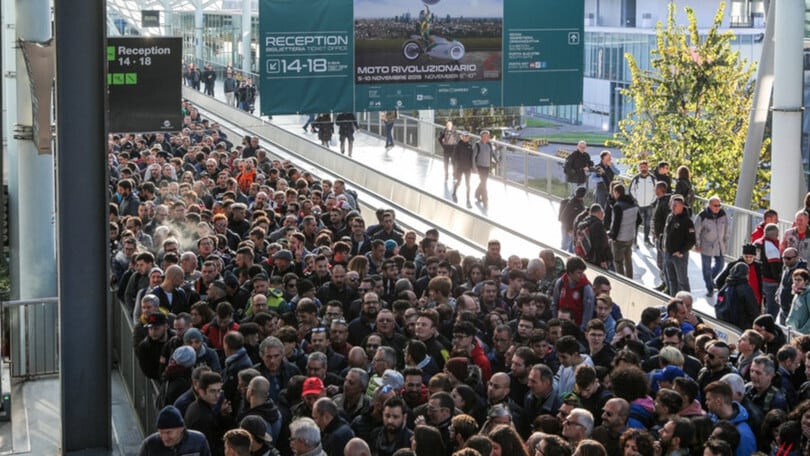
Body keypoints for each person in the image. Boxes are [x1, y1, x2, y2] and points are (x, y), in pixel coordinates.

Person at [138, 405, 211, 455]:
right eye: (161, 432)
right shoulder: (149, 445)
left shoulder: (199, 441)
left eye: (168, 432)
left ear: (181, 429)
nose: (164, 437)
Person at [694, 196, 730, 297]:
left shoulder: (723, 214)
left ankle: (709, 279)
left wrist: (725, 242)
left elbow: (727, 228)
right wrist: (697, 244)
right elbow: (697, 231)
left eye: (719, 205)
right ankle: (709, 288)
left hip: (720, 245)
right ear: (710, 205)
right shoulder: (702, 215)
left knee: (721, 265)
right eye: (715, 205)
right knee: (706, 268)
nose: (717, 207)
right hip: (706, 246)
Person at [663, 195, 695, 295]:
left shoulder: (687, 221)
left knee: (682, 281)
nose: (673, 207)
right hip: (668, 253)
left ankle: (687, 302)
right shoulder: (670, 217)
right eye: (672, 205)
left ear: (681, 206)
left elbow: (691, 240)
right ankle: (673, 300)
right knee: (671, 280)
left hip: (679, 256)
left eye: (675, 205)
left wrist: (681, 251)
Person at [609, 184, 639, 279]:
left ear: (617, 193)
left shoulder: (618, 206)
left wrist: (613, 237)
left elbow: (616, 224)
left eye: (613, 192)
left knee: (618, 262)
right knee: (628, 259)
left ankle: (622, 281)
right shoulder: (633, 203)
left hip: (620, 239)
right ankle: (630, 279)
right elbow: (639, 220)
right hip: (630, 237)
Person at [628, 160, 657, 246]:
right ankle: (634, 241)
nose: (643, 169)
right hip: (638, 205)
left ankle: (646, 240)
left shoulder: (653, 179)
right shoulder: (636, 179)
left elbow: (656, 190)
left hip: (649, 205)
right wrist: (636, 200)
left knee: (647, 224)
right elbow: (631, 190)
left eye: (644, 167)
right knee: (636, 223)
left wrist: (653, 201)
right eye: (641, 167)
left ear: (648, 167)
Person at [472, 130, 496, 209]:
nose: (487, 137)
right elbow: (473, 157)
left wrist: (496, 160)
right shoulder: (477, 145)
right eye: (485, 136)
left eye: (488, 136)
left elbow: (492, 153)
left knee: (483, 182)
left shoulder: (489, 144)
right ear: (481, 137)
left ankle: (477, 194)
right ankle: (485, 200)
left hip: (487, 166)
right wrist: (474, 167)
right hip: (480, 166)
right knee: (484, 183)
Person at [560, 187, 587, 253]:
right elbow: (563, 216)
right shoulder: (573, 203)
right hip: (568, 228)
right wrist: (569, 229)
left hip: (572, 228)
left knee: (571, 246)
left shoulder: (579, 201)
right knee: (565, 245)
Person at [452, 131, 474, 208]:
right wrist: (455, 167)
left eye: (467, 136)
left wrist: (472, 167)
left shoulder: (470, 146)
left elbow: (471, 158)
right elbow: (454, 157)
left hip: (467, 168)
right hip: (460, 168)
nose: (466, 137)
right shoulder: (458, 145)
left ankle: (468, 200)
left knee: (468, 185)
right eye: (464, 136)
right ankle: (454, 193)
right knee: (458, 182)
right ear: (462, 137)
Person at [787, 268, 810, 332]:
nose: (796, 282)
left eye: (799, 280)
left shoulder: (808, 295)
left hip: (802, 334)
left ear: (806, 281)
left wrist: (803, 330)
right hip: (793, 330)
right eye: (795, 279)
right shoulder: (797, 292)